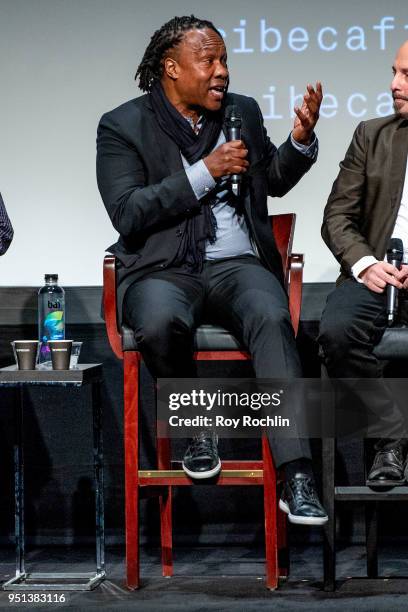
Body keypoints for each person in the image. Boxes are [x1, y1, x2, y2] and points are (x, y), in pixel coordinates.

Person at [97, 15, 327, 524]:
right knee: (157, 321)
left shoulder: (241, 111)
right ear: (171, 67)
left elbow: (273, 181)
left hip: (235, 264)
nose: (222, 71)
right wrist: (206, 172)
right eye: (209, 60)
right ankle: (200, 427)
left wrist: (301, 141)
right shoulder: (122, 125)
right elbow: (127, 211)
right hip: (162, 268)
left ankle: (298, 475)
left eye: (225, 60)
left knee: (271, 315)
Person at [319, 41, 408, 487]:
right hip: (377, 273)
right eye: (394, 72)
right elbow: (337, 216)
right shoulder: (373, 135)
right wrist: (366, 262)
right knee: (337, 333)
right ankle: (391, 435)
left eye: (407, 75)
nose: (394, 84)